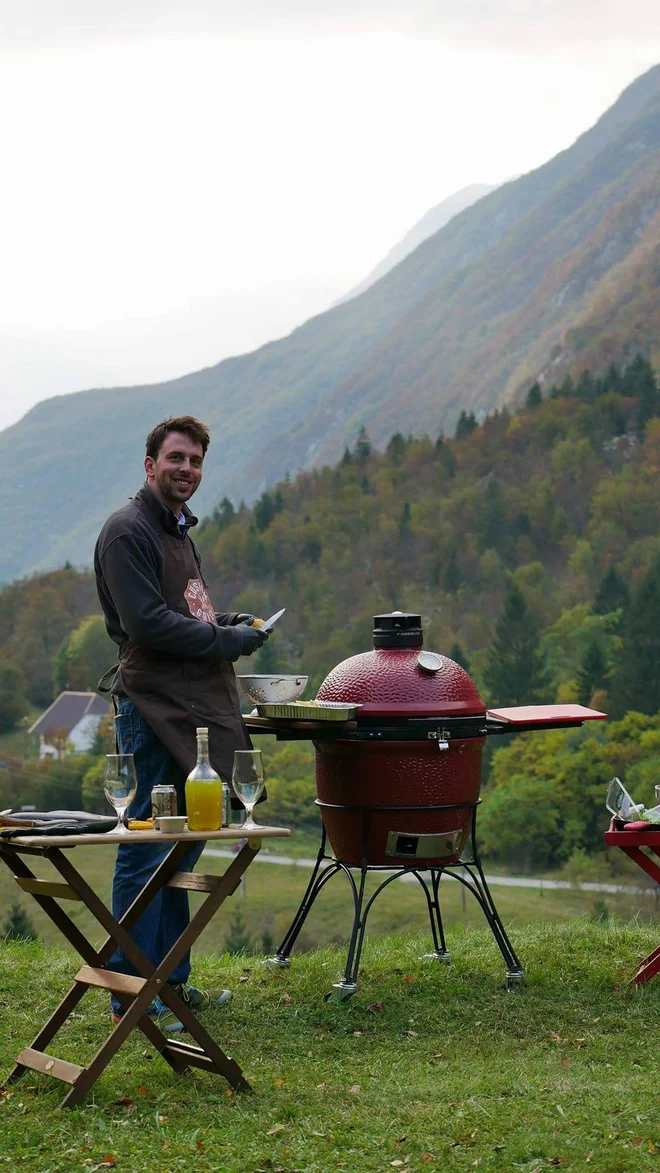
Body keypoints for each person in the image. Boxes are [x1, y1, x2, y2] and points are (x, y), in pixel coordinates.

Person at [94, 415, 268, 1031]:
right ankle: (131, 993)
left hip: (192, 707)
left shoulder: (178, 532)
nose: (185, 470)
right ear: (149, 465)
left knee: (185, 848)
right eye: (175, 458)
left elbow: (181, 613)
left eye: (194, 461)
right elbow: (147, 626)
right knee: (146, 851)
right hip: (149, 710)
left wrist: (226, 623)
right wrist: (227, 644)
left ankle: (171, 986)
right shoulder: (127, 531)